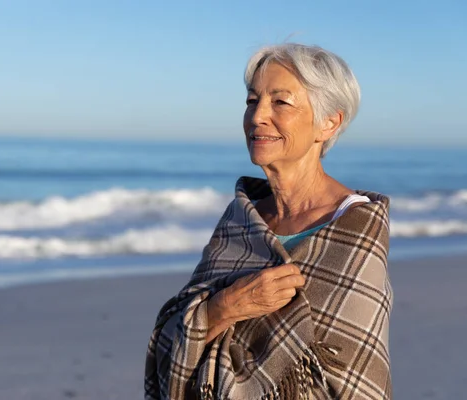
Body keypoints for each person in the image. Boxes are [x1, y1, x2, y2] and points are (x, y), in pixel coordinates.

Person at [145, 43, 392, 400]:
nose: (257, 115)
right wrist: (223, 309)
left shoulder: (354, 229)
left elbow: (355, 372)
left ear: (329, 122)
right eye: (251, 101)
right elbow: (171, 334)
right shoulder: (241, 220)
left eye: (280, 102)